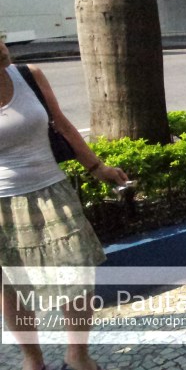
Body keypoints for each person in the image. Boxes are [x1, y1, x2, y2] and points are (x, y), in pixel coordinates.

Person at [0, 35, 128, 370]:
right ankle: (33, 360)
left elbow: (62, 124)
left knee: (76, 274)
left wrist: (97, 167)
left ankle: (77, 355)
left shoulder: (27, 74)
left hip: (51, 192)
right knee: (12, 287)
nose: (2, 48)